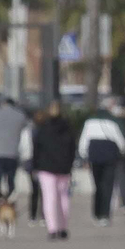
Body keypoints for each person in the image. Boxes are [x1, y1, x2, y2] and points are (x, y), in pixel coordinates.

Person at [77, 106, 125, 226]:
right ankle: (105, 215)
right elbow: (121, 142)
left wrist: (84, 155)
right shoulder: (112, 123)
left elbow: (84, 140)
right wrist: (122, 152)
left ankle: (96, 212)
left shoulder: (89, 123)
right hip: (110, 155)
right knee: (108, 185)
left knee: (97, 185)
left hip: (95, 155)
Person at [32, 102, 76, 240]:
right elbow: (72, 149)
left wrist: (35, 166)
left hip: (46, 168)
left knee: (49, 198)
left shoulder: (42, 129)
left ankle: (53, 228)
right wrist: (69, 164)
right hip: (64, 168)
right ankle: (63, 228)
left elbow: (36, 149)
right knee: (64, 198)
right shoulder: (67, 128)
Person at [0, 97, 30, 199]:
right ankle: (10, 205)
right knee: (11, 181)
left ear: (3, 104)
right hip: (13, 154)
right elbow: (27, 135)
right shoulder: (20, 116)